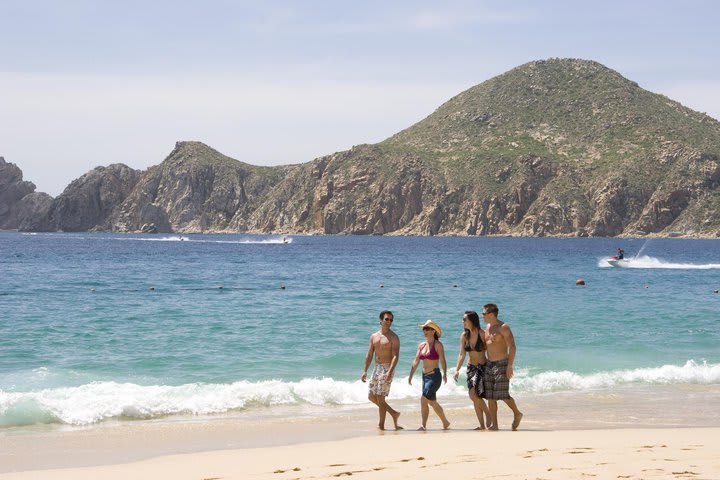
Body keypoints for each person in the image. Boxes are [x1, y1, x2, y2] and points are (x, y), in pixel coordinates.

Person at [482, 303, 523, 431]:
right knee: (490, 396)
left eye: (484, 313)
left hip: (502, 363)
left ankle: (517, 413)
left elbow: (513, 346)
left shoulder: (503, 327)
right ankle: (495, 425)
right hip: (489, 364)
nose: (482, 316)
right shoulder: (487, 328)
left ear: (491, 314)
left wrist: (510, 365)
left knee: (503, 395)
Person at [361, 310, 402, 430]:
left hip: (387, 367)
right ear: (380, 320)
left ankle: (381, 425)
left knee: (380, 398)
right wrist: (365, 370)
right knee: (371, 396)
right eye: (386, 319)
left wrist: (389, 372)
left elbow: (396, 356)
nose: (389, 321)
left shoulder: (393, 337)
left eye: (391, 320)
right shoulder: (374, 336)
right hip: (376, 367)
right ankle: (394, 413)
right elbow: (369, 354)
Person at [409, 320, 450, 430]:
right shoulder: (421, 345)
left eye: (427, 329)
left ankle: (423, 425)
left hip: (434, 377)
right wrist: (410, 375)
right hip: (425, 377)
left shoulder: (438, 345)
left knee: (423, 399)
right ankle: (445, 422)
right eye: (424, 329)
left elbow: (443, 360)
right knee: (432, 402)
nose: (425, 331)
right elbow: (416, 361)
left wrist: (445, 374)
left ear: (433, 331)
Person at [453, 310, 491, 430]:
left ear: (472, 320)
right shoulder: (464, 336)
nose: (462, 321)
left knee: (473, 395)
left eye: (465, 319)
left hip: (482, 367)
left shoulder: (482, 333)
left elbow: (490, 351)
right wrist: (457, 369)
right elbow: (461, 354)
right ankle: (481, 425)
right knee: (475, 396)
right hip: (471, 368)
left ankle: (488, 414)